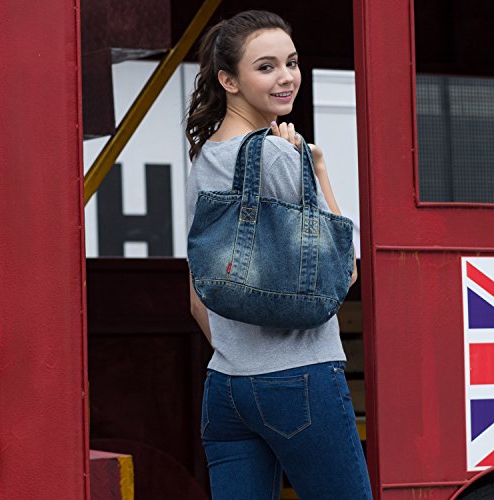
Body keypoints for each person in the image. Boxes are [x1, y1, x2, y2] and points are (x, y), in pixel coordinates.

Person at [185, 10, 372, 500]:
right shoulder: (279, 156)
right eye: (266, 67)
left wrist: (243, 358)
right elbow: (343, 273)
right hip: (302, 379)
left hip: (226, 388)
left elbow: (197, 296)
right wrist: (317, 166)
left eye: (291, 62)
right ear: (228, 80)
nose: (286, 77)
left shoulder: (205, 160)